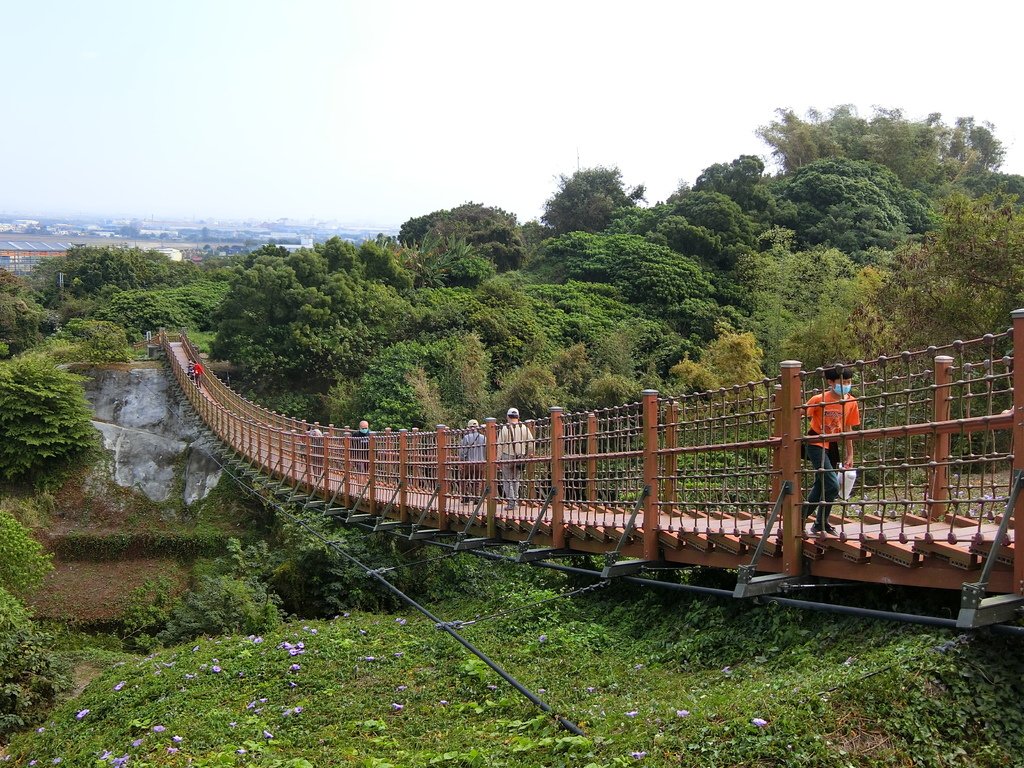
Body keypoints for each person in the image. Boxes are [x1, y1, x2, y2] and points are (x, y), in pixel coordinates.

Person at [802, 366, 860, 535]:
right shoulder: (819, 399)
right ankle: (817, 522)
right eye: (843, 382)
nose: (847, 385)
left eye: (849, 382)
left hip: (832, 445)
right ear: (830, 382)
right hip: (815, 442)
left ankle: (807, 520)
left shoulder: (851, 401)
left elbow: (848, 429)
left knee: (821, 486)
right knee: (832, 485)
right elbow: (798, 414)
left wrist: (850, 454)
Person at [497, 407, 533, 510]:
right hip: (520, 457)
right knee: (516, 480)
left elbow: (499, 445)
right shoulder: (524, 428)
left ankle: (511, 502)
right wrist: (529, 454)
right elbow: (531, 442)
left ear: (508, 417)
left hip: (506, 456)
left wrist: (498, 459)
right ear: (518, 417)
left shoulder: (504, 428)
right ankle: (515, 501)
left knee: (507, 480)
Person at [458, 419, 486, 503]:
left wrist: (461, 461)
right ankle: (476, 497)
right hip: (480, 462)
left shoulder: (466, 438)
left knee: (464, 480)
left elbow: (462, 452)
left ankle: (465, 497)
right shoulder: (484, 438)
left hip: (468, 463)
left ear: (469, 428)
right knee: (477, 480)